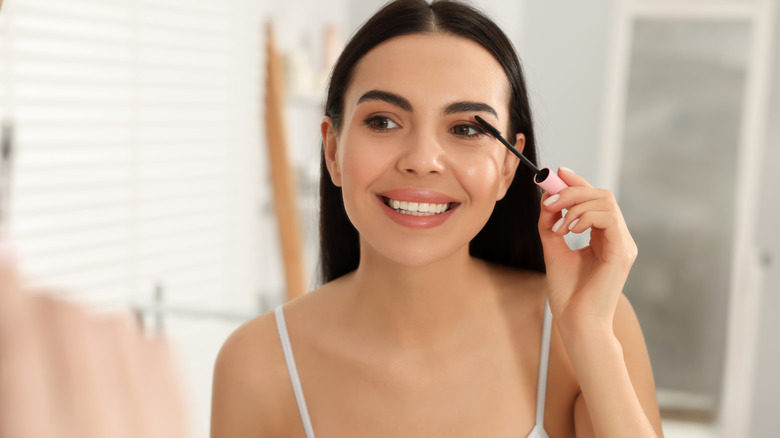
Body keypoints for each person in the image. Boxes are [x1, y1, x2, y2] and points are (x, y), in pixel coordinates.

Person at [211, 0, 663, 437]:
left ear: (509, 167)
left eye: (467, 129)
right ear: (332, 150)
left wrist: (589, 337)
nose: (423, 160)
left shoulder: (593, 329)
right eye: (384, 122)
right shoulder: (257, 363)